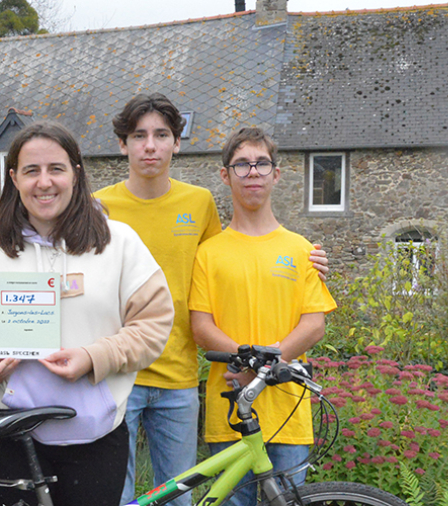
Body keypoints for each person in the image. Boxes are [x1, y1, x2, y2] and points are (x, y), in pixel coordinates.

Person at [93, 93, 329, 506]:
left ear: (176, 143)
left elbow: (238, 261)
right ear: (122, 143)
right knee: (118, 495)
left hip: (179, 379)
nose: (150, 145)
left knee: (180, 499)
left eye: (161, 135)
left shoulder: (199, 205)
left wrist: (312, 261)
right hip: (118, 373)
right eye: (139, 135)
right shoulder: (98, 207)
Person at [0, 120, 174, 506]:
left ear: (76, 173)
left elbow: (154, 326)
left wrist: (93, 357)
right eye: (31, 171)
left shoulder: (120, 243)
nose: (44, 182)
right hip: (10, 437)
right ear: (14, 177)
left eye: (56, 169)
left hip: (95, 437)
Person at [189, 127, 337, 506]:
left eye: (261, 163)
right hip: (231, 411)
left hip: (288, 409)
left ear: (276, 173)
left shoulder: (302, 249)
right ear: (225, 175)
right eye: (241, 164)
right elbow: (201, 326)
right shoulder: (208, 252)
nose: (252, 172)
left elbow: (314, 323)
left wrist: (266, 365)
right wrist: (249, 360)